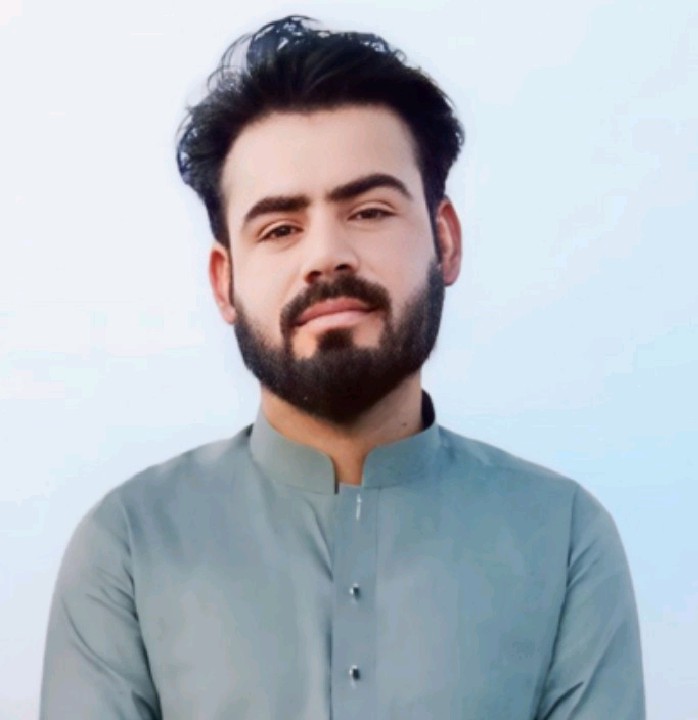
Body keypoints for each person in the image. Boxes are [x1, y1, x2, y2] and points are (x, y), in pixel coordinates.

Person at [40, 15, 645, 720]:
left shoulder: (564, 538)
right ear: (223, 282)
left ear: (445, 240)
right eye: (280, 229)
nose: (326, 255)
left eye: (369, 211)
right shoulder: (129, 547)